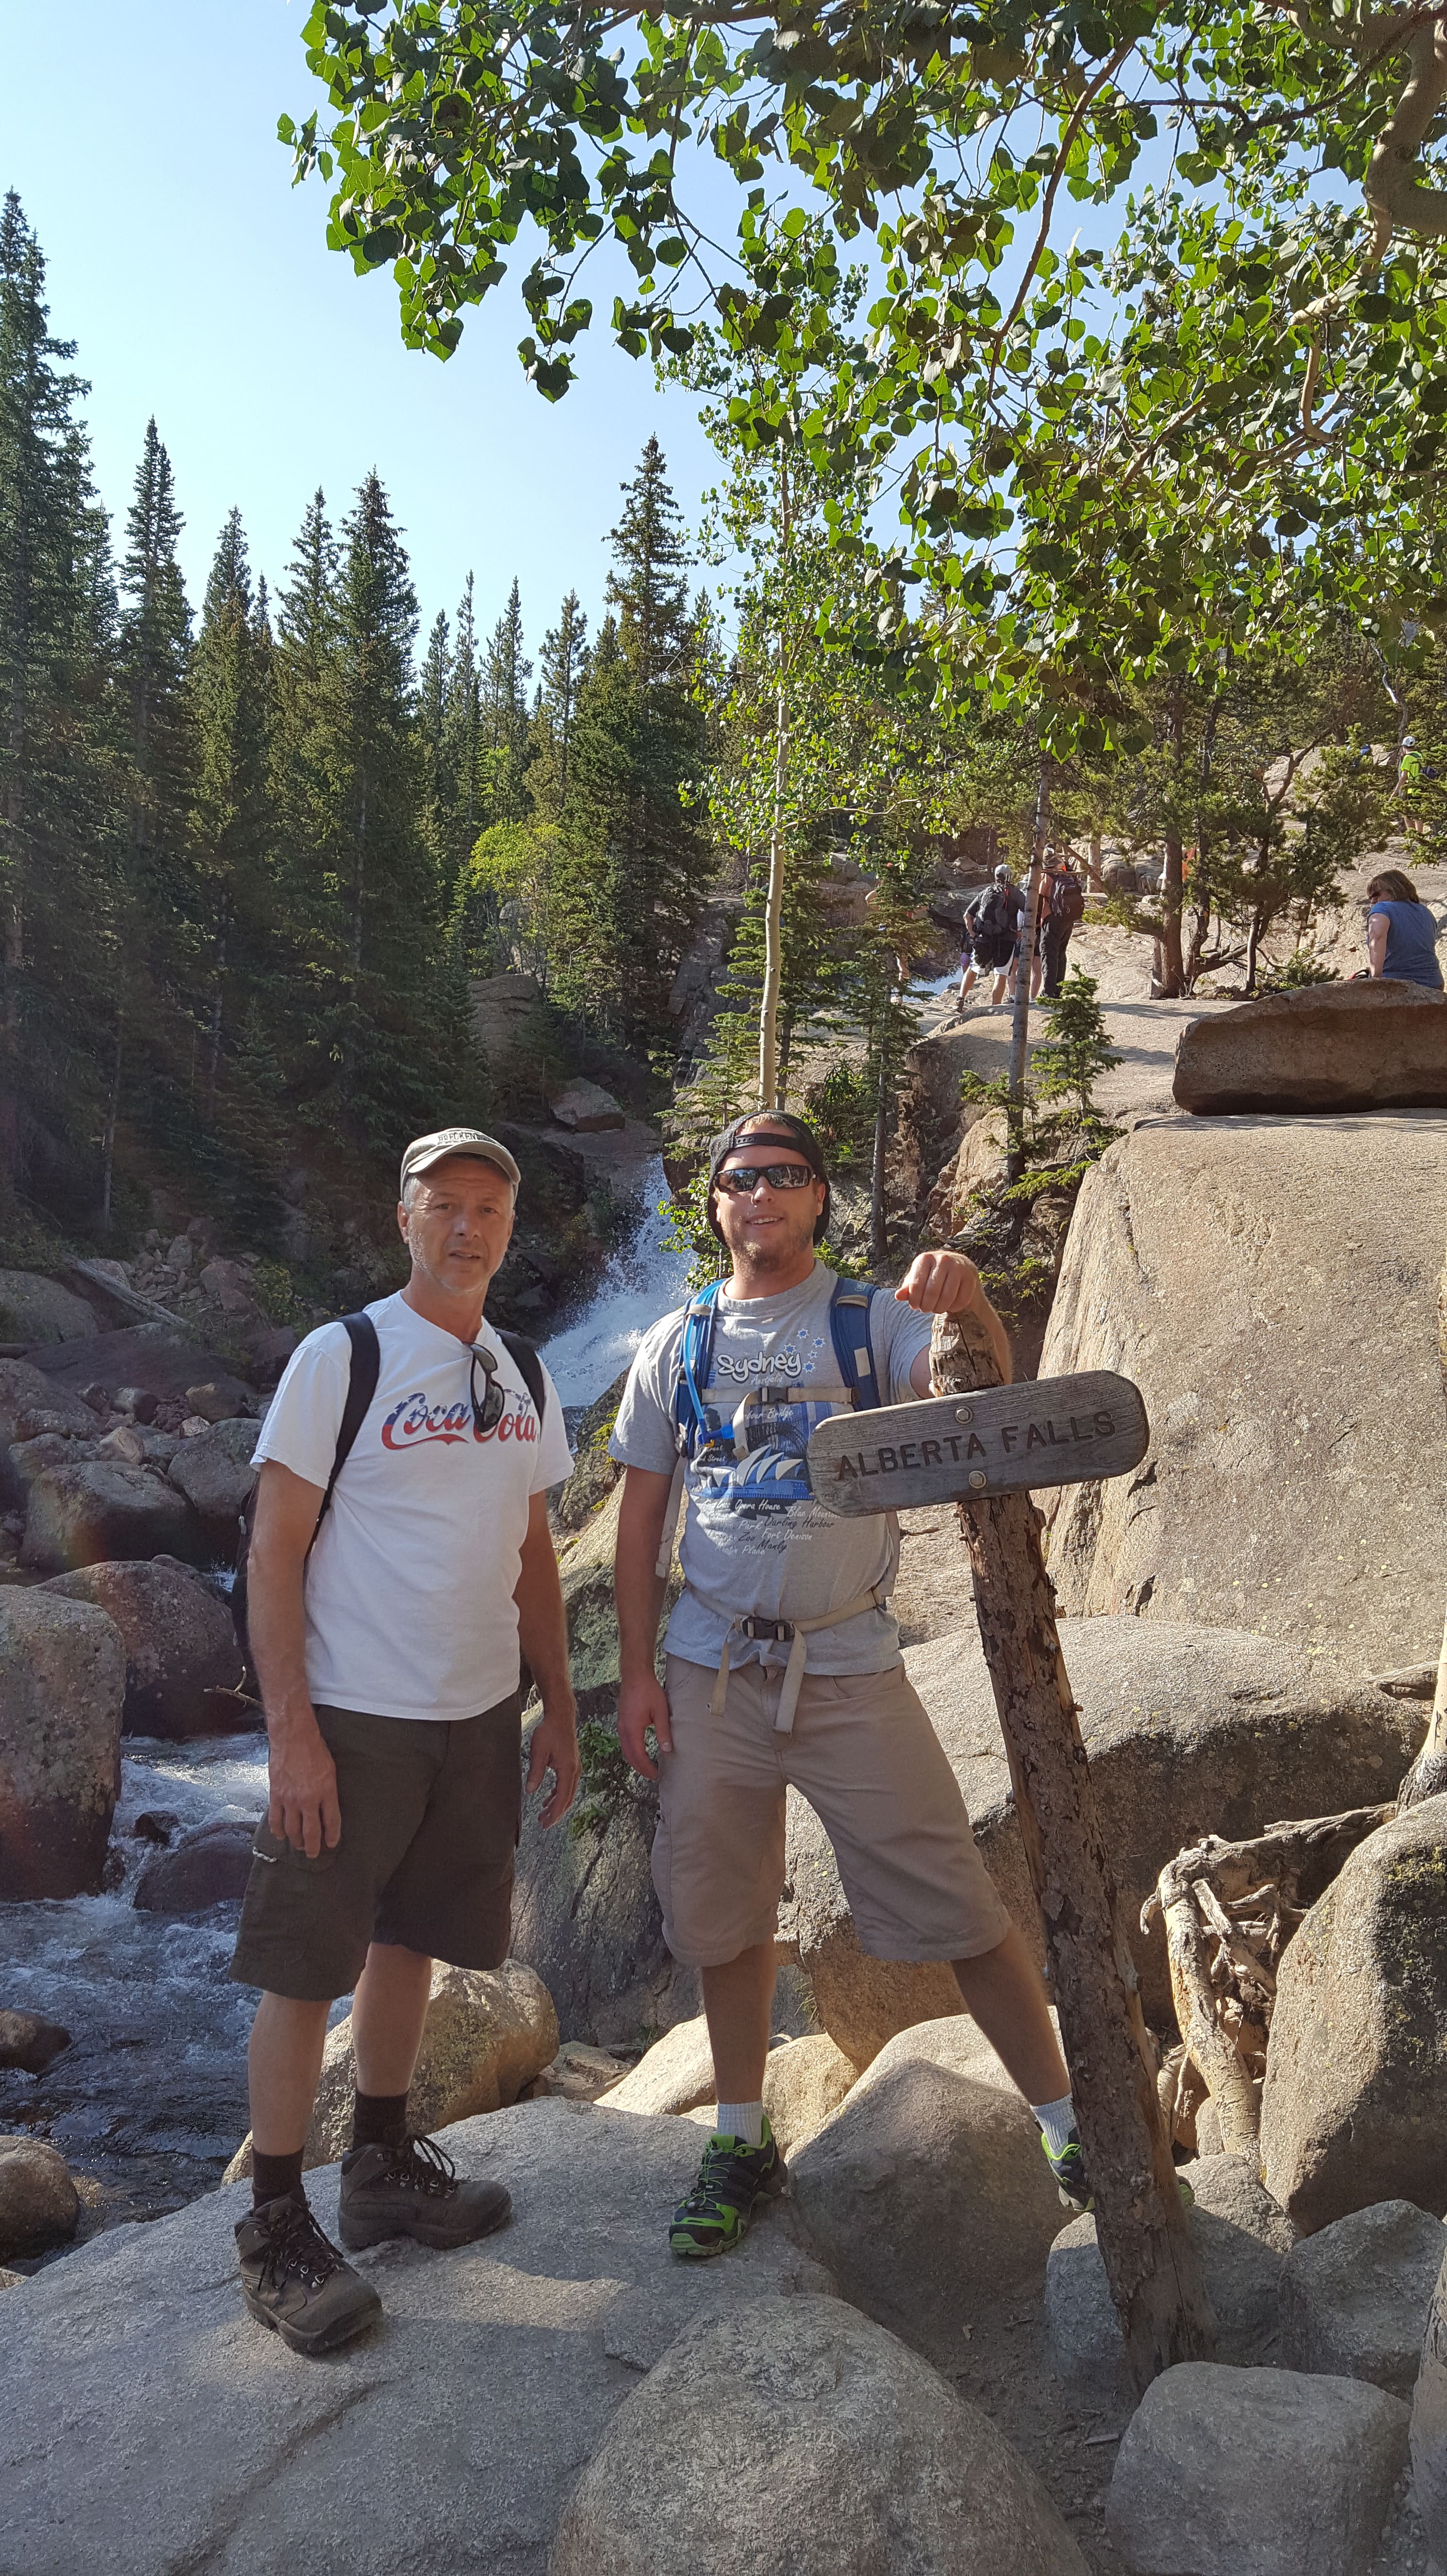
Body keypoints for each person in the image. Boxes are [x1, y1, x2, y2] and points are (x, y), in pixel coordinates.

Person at [609, 1111, 1084, 2263]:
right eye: (738, 1178)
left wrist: (968, 1302)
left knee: (958, 1898)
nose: (759, 1194)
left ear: (819, 1197)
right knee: (722, 1914)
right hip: (711, 1661)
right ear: (715, 1204)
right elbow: (635, 1524)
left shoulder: (873, 1319)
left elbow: (981, 1403)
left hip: (850, 1661)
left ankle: (1070, 2125)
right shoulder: (674, 1342)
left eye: (783, 1175)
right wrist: (634, 1676)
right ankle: (735, 2133)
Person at [230, 1127, 579, 2355]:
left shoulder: (521, 1366)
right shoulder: (347, 1354)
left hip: (476, 1712)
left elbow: (534, 1552)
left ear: (508, 1224)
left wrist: (559, 1704)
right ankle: (274, 2219)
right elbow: (273, 1548)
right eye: (444, 1204)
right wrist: (291, 1733)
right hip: (353, 1711)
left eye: (487, 1206)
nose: (466, 1225)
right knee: (304, 1962)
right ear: (404, 1218)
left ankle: (377, 2165)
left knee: (411, 1938)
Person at [1366, 869, 1444, 990]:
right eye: (1370, 897)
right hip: (1433, 984)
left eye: (1376, 895)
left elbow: (1377, 938)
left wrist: (1375, 980)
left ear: (1393, 889)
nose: (1372, 901)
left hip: (1396, 985)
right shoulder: (1425, 912)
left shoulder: (1383, 909)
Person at [958, 865, 1024, 1007]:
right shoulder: (1015, 893)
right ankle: (995, 1008)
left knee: (974, 968)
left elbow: (967, 916)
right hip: (1006, 940)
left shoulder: (985, 892)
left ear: (996, 877)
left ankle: (960, 1000)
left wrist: (974, 935)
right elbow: (1029, 911)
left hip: (984, 938)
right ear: (1009, 876)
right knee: (1000, 973)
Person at [1040, 852, 1086, 998]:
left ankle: (1048, 991)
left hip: (1052, 919)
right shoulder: (1070, 876)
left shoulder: (1048, 876)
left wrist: (1038, 920)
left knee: (1049, 954)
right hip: (1068, 919)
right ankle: (1059, 989)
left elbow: (1040, 898)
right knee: (1061, 954)